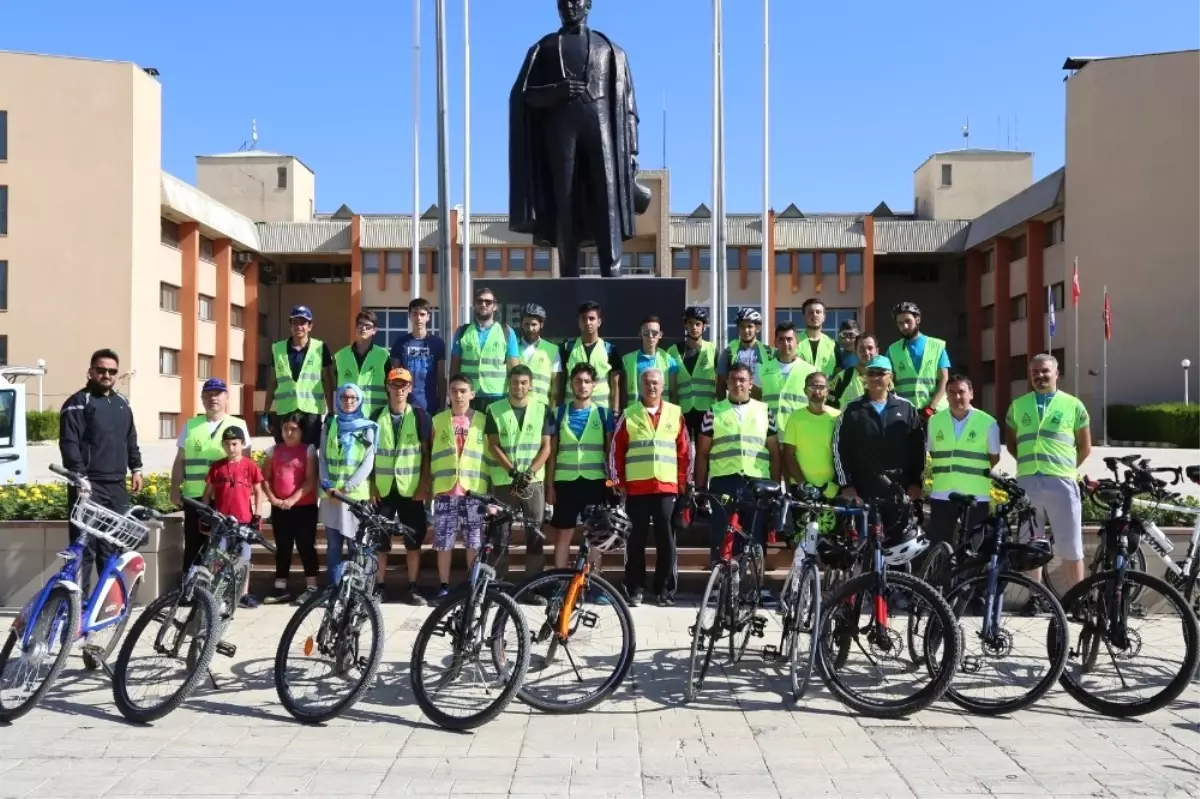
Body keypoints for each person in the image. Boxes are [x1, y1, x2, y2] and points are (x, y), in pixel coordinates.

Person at [59, 348, 143, 595]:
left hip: (116, 486)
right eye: (101, 370)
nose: (107, 375)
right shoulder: (77, 403)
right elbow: (69, 443)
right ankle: (76, 604)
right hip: (88, 486)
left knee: (113, 546)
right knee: (84, 548)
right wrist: (79, 477)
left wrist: (136, 468)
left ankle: (105, 603)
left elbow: (130, 438)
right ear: (91, 372)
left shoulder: (122, 403)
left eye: (112, 371)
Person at [1006, 354, 1092, 591]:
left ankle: (1078, 599)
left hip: (1061, 482)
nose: (1039, 376)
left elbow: (1085, 448)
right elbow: (1012, 445)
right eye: (1034, 372)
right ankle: (1036, 597)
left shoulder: (1073, 405)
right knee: (1031, 545)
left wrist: (1064, 468)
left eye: (1045, 371)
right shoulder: (1018, 406)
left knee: (1071, 547)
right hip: (1028, 483)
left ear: (1057, 374)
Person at [610, 368, 689, 606]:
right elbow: (616, 450)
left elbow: (685, 452)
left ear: (663, 386)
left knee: (667, 540)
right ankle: (635, 587)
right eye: (646, 382)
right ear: (640, 385)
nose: (651, 386)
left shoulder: (676, 413)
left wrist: (683, 482)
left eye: (655, 382)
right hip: (636, 488)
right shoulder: (629, 414)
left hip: (666, 488)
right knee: (635, 540)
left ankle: (664, 589)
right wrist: (618, 482)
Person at [696, 363, 782, 568]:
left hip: (757, 483)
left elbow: (775, 453)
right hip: (724, 481)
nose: (737, 384)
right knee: (722, 534)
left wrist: (776, 487)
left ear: (751, 383)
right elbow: (702, 453)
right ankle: (720, 587)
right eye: (733, 379)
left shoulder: (764, 411)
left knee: (755, 536)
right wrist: (699, 488)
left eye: (742, 379)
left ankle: (753, 588)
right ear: (726, 383)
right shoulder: (714, 412)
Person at [486, 364, 554, 603]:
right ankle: (498, 586)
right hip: (505, 481)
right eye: (515, 382)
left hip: (533, 483)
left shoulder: (541, 409)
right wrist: (513, 472)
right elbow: (493, 445)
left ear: (531, 384)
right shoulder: (494, 409)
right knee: (500, 535)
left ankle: (533, 587)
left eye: (524, 382)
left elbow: (546, 447)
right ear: (509, 383)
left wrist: (529, 472)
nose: (519, 387)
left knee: (534, 534)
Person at [170, 378, 250, 573]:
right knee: (194, 545)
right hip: (195, 497)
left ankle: (219, 593)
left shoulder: (238, 425)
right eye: (208, 394)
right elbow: (180, 460)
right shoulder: (191, 425)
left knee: (224, 546)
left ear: (226, 397)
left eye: (218, 393)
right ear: (202, 399)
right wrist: (174, 489)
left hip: (226, 497)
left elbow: (246, 465)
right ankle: (189, 590)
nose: (213, 398)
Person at [372, 368, 433, 606]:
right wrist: (371, 487)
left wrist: (424, 486)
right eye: (394, 385)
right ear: (387, 387)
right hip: (384, 490)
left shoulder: (420, 416)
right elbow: (371, 455)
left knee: (413, 541)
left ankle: (412, 587)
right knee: (381, 542)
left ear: (410, 388)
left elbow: (426, 455)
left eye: (403, 385)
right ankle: (379, 586)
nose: (399, 390)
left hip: (411, 489)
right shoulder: (377, 416)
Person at [545, 363, 615, 568]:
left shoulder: (604, 414)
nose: (582, 385)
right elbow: (552, 453)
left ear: (594, 385)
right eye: (578, 381)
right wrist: (549, 486)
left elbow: (610, 452)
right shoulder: (558, 414)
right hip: (565, 483)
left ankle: (594, 582)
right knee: (563, 533)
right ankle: (560, 581)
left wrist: (612, 485)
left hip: (595, 482)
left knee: (596, 533)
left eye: (587, 381)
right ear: (571, 385)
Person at [832, 355, 925, 503]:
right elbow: (839, 448)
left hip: (900, 488)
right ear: (865, 377)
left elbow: (918, 449)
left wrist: (916, 482)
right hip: (862, 489)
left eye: (881, 373)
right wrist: (846, 484)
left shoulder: (907, 408)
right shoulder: (851, 409)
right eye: (871, 373)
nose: (875, 378)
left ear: (891, 377)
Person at [430, 374, 488, 598]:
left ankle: (473, 586)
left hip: (474, 491)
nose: (458, 395)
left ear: (472, 394)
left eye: (463, 390)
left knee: (473, 541)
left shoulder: (482, 420)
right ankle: (444, 586)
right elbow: (431, 454)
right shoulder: (439, 420)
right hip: (446, 489)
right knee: (444, 542)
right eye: (454, 390)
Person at [926, 375, 1001, 548]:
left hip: (975, 495)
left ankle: (968, 576)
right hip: (943, 493)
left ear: (971, 394)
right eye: (951, 393)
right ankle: (942, 576)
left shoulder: (988, 423)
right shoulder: (934, 421)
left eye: (961, 392)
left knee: (973, 547)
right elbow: (933, 452)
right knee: (939, 546)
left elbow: (994, 458)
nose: (957, 397)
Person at [319, 383, 379, 589]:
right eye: (344, 397)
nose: (349, 401)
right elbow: (323, 458)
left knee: (357, 546)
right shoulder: (330, 424)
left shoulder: (367, 427)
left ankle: (357, 591)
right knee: (334, 547)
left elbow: (368, 462)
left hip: (354, 497)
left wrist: (346, 489)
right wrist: (328, 486)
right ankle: (335, 590)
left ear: (360, 400)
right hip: (331, 496)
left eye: (353, 397)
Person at [201, 426, 267, 608]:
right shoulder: (217, 467)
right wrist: (207, 513)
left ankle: (243, 594)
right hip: (222, 521)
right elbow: (207, 492)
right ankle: (215, 593)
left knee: (244, 557)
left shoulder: (250, 465)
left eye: (235, 444)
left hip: (244, 519)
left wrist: (258, 514)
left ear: (242, 444)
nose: (231, 448)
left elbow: (258, 491)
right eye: (227, 444)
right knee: (218, 556)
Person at [262, 412, 319, 605]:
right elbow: (266, 478)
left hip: (304, 507)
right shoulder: (273, 451)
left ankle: (312, 587)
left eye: (293, 429)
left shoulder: (308, 450)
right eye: (285, 428)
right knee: (283, 548)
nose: (289, 432)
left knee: (306, 546)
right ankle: (280, 587)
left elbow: (311, 479)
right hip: (280, 508)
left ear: (302, 431)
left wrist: (293, 499)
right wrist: (273, 499)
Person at [264, 305, 334, 447]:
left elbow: (327, 381)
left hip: (310, 412)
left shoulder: (320, 348)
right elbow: (272, 382)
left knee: (310, 453)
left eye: (302, 322)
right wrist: (265, 411)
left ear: (310, 326)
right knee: (285, 452)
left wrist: (331, 412)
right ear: (289, 325)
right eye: (295, 322)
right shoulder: (277, 349)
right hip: (285, 410)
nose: (299, 326)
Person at [449, 287, 520, 411]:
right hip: (468, 395)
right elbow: (454, 367)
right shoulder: (462, 332)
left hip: (498, 396)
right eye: (479, 301)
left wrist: (515, 397)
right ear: (474, 305)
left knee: (494, 431)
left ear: (495, 306)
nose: (483, 304)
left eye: (488, 302)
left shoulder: (507, 332)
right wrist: (451, 395)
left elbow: (514, 369)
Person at [782, 371, 840, 498]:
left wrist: (835, 483)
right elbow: (788, 455)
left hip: (831, 490)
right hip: (802, 489)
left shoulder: (837, 417)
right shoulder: (795, 418)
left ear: (828, 390)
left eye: (821, 387)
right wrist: (804, 483)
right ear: (805, 391)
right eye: (812, 387)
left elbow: (843, 454)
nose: (817, 391)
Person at [888, 301, 950, 416]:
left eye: (908, 321)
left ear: (917, 320)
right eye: (900, 323)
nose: (904, 326)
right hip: (906, 413)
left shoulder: (937, 346)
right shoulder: (892, 350)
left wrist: (931, 407)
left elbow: (944, 379)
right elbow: (889, 382)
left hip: (936, 412)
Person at [666, 306, 717, 445]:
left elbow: (721, 382)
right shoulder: (673, 351)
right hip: (683, 410)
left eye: (698, 324)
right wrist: (673, 411)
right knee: (683, 451)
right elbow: (671, 386)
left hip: (707, 410)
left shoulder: (713, 350)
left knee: (706, 452)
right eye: (690, 323)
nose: (694, 327)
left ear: (704, 326)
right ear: (685, 325)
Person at [561, 301, 622, 411]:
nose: (587, 322)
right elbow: (560, 383)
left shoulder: (610, 350)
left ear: (599, 322)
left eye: (592, 318)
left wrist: (615, 412)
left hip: (601, 411)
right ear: (579, 322)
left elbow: (615, 385)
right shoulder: (567, 349)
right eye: (583, 319)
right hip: (572, 411)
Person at [390, 297, 447, 414]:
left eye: (422, 314)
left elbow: (441, 377)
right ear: (409, 316)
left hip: (430, 404)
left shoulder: (437, 343)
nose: (418, 318)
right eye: (415, 314)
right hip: (406, 404)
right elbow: (394, 377)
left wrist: (442, 406)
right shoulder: (400, 342)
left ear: (428, 317)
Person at [335, 309, 392, 420]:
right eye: (360, 324)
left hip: (376, 416)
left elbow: (390, 388)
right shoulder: (340, 356)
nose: (363, 328)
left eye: (368, 326)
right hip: (347, 417)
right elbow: (333, 387)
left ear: (374, 330)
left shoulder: (384, 356)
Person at [765, 321, 817, 435]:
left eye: (789, 339)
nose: (785, 343)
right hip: (769, 434)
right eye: (781, 339)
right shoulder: (763, 369)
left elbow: (815, 404)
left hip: (799, 433)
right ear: (775, 343)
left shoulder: (810, 371)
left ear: (797, 342)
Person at [716, 307, 771, 401]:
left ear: (757, 328)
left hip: (760, 406)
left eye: (749, 326)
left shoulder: (768, 352)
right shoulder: (729, 352)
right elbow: (721, 383)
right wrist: (720, 407)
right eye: (742, 326)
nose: (746, 330)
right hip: (736, 405)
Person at [622, 315, 679, 405]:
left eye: (655, 333)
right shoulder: (627, 360)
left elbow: (674, 394)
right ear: (640, 334)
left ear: (660, 335)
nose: (650, 336)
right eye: (646, 333)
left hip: (661, 415)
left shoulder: (669, 361)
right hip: (635, 414)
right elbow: (623, 394)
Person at [517, 302, 562, 407]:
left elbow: (556, 387)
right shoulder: (513, 348)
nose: (530, 329)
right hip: (517, 406)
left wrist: (552, 411)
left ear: (541, 325)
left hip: (542, 408)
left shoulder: (552, 350)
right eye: (526, 324)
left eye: (534, 325)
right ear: (521, 324)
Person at [828, 333, 880, 409]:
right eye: (861, 348)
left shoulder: (884, 377)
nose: (866, 352)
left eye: (870, 348)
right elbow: (830, 407)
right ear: (855, 351)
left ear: (877, 351)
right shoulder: (843, 377)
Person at [796, 298, 839, 376]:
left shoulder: (833, 344)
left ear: (824, 317)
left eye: (818, 312)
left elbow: (837, 373)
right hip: (800, 387)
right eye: (810, 312)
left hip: (825, 387)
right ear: (804, 317)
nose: (814, 315)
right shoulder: (793, 342)